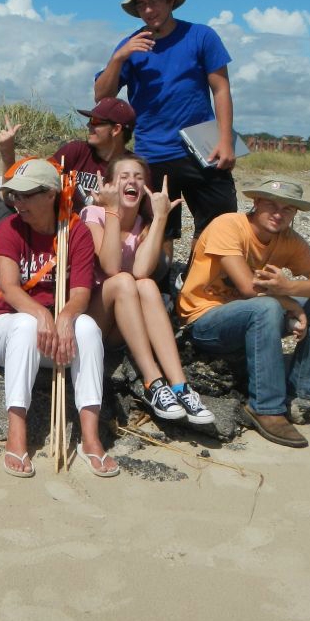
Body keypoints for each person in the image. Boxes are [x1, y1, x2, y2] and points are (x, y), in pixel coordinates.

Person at [177, 178, 310, 448]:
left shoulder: (290, 241)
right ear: (256, 203)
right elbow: (249, 287)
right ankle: (266, 406)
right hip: (206, 321)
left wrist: (290, 287)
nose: (278, 214)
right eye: (271, 205)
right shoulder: (228, 225)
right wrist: (292, 304)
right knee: (267, 306)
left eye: (287, 209)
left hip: (258, 314)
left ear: (295, 213)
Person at [0, 159, 117, 479]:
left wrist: (66, 317)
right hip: (2, 326)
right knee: (26, 323)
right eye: (13, 196)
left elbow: (81, 292)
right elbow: (10, 289)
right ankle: (17, 434)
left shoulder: (75, 231)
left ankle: (91, 439)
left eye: (26, 195)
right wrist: (42, 313)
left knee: (88, 327)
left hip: (51, 337)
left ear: (52, 194)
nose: (17, 202)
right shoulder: (9, 227)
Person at [94, 0, 238, 249]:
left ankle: (196, 279)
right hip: (153, 152)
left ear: (171, 1)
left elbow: (221, 90)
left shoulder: (201, 36)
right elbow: (102, 96)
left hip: (202, 147)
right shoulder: (129, 46)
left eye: (155, 0)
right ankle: (162, 286)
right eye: (141, 4)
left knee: (218, 223)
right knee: (160, 229)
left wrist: (225, 141)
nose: (148, 9)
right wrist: (119, 58)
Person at [82, 154, 214, 426]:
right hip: (93, 320)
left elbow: (142, 271)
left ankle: (180, 387)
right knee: (122, 280)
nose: (132, 181)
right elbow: (109, 266)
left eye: (139, 178)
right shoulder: (92, 214)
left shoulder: (143, 225)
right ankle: (153, 381)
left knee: (144, 283)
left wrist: (160, 218)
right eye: (124, 177)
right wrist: (112, 211)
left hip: (123, 325)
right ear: (108, 185)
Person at [53, 97, 135, 207]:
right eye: (90, 120)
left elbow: (145, 218)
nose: (88, 125)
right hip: (68, 223)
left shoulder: (134, 167)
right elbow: (40, 178)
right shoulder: (75, 151)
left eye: (95, 121)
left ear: (116, 129)